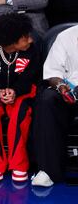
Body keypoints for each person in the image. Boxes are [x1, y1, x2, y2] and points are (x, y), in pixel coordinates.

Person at [0, 13, 39, 182]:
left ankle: (19, 163)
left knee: (22, 110)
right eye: (25, 38)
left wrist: (15, 91)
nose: (30, 40)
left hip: (21, 94)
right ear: (11, 41)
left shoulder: (32, 50)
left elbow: (32, 79)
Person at [31, 25, 78, 187]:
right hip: (70, 91)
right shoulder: (66, 37)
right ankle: (47, 171)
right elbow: (52, 73)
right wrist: (61, 87)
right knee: (47, 99)